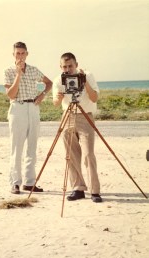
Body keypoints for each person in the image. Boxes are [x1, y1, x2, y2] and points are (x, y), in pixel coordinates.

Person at [53, 52, 102, 203]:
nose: (68, 69)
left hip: (85, 115)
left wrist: (85, 81)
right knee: (71, 155)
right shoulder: (58, 80)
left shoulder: (88, 75)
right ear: (61, 67)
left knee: (88, 154)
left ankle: (95, 191)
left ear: (76, 65)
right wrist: (59, 97)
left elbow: (94, 98)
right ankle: (78, 188)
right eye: (65, 67)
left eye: (70, 66)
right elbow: (55, 103)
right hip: (68, 115)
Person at [4, 42, 52, 194]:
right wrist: (18, 74)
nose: (20, 56)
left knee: (32, 147)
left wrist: (42, 95)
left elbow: (49, 83)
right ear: (13, 55)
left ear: (27, 54)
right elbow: (11, 94)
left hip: (33, 108)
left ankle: (29, 183)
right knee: (17, 148)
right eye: (17, 53)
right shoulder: (9, 71)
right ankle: (15, 183)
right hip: (17, 108)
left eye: (22, 53)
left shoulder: (33, 70)